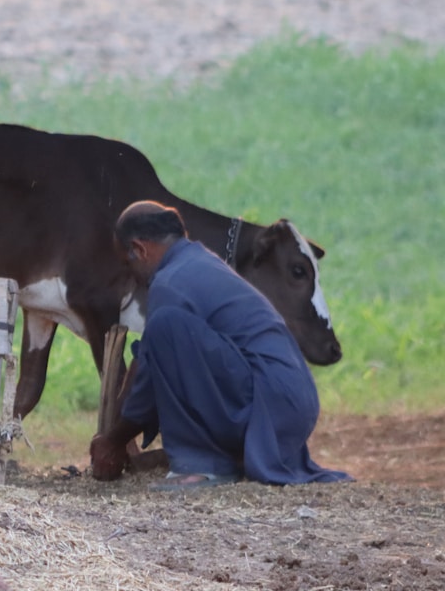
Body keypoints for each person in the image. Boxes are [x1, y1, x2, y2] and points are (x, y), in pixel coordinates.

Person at [90, 200, 351, 489]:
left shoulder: (170, 282)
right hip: (292, 401)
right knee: (165, 330)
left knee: (166, 325)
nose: (132, 275)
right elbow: (153, 359)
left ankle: (202, 465)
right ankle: (225, 456)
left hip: (273, 400)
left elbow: (148, 372)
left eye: (129, 264)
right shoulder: (198, 262)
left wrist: (113, 441)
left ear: (140, 249)